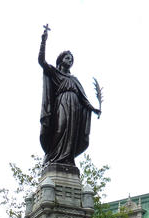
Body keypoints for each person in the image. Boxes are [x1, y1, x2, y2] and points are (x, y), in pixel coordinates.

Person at [38, 25, 101, 167]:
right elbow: (42, 61)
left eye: (72, 59)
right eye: (67, 58)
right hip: (62, 103)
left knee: (72, 134)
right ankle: (53, 157)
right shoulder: (54, 72)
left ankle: (67, 159)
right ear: (61, 60)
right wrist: (43, 42)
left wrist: (94, 109)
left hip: (75, 108)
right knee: (60, 128)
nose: (70, 60)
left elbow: (84, 99)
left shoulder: (74, 79)